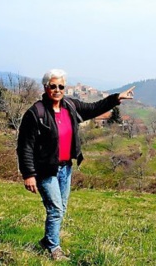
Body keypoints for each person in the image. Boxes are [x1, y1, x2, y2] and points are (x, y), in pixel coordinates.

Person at [16, 69, 135, 261]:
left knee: (60, 208)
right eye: (53, 86)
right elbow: (25, 146)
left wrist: (116, 98)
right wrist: (28, 174)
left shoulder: (70, 106)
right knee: (55, 209)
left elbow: (94, 108)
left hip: (66, 167)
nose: (57, 90)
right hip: (46, 169)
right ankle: (54, 249)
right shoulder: (35, 113)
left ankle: (47, 241)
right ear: (46, 87)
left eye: (61, 86)